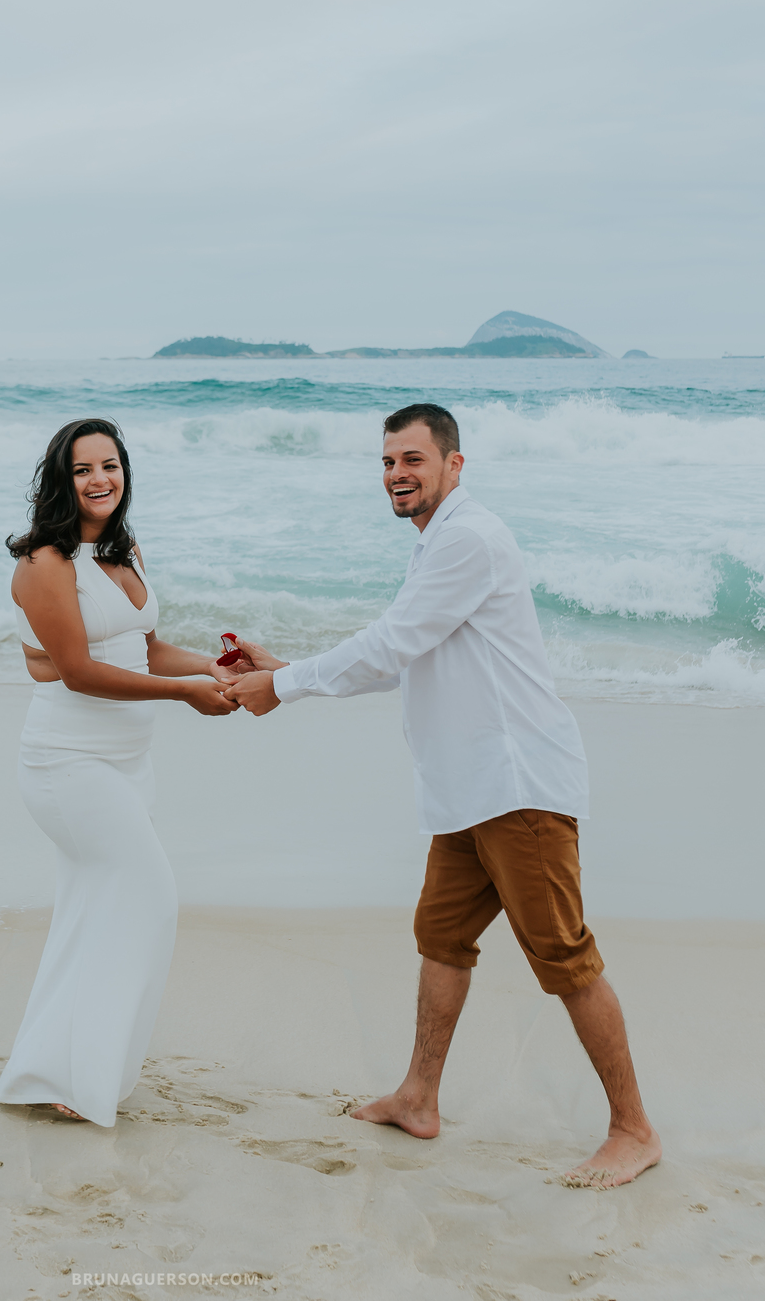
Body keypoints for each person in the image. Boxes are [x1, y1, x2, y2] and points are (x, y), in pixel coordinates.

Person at [218, 401, 660, 1191]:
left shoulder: (469, 538)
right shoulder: (437, 546)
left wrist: (278, 686)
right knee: (441, 935)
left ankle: (634, 1129)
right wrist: (284, 667)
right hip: (467, 793)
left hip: (518, 788)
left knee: (562, 956)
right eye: (388, 462)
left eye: (413, 460)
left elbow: (392, 641)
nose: (397, 475)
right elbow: (404, 656)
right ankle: (419, 1097)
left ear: (455, 465)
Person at [0, 416, 237, 1127]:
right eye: (83, 469)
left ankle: (55, 1071)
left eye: (111, 465)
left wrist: (221, 669)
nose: (100, 479)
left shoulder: (122, 551)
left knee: (95, 912)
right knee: (148, 900)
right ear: (60, 481)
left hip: (131, 764)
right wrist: (185, 698)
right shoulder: (45, 562)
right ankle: (75, 1073)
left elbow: (148, 650)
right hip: (68, 766)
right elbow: (76, 671)